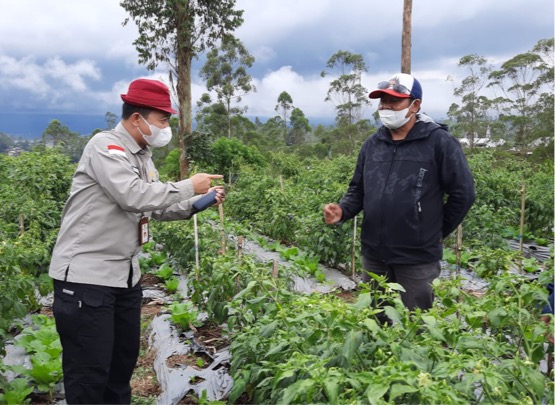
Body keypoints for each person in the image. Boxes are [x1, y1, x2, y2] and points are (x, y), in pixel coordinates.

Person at [49, 78, 225, 404]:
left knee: (120, 369)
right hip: (88, 282)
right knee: (90, 375)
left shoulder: (143, 157)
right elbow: (133, 195)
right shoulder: (106, 147)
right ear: (136, 119)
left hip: (124, 279)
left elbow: (155, 207)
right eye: (163, 119)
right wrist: (190, 185)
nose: (166, 127)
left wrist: (200, 202)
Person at [323, 73, 475, 312]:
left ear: (415, 104)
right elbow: (358, 189)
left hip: (417, 258)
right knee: (376, 319)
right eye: (382, 100)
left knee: (417, 324)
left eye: (394, 101)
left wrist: (432, 232)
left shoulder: (439, 142)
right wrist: (342, 211)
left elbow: (463, 194)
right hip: (374, 252)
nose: (386, 106)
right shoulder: (372, 145)